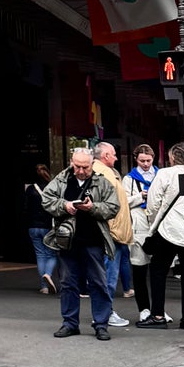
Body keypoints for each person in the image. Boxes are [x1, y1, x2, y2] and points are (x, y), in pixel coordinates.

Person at [40, 146, 119, 339]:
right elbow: (46, 200)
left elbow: (113, 207)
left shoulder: (102, 182)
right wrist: (64, 206)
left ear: (92, 164)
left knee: (99, 283)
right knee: (68, 284)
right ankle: (70, 323)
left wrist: (93, 208)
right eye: (77, 166)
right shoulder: (61, 180)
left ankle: (101, 324)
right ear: (71, 163)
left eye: (85, 167)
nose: (81, 171)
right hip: (68, 242)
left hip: (93, 240)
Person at [137, 143, 184, 328]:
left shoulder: (165, 174)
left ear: (173, 158)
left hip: (169, 231)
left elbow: (153, 203)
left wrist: (154, 223)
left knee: (158, 270)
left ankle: (157, 316)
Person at [91, 142, 132, 326]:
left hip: (114, 233)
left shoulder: (107, 173)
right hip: (112, 234)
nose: (116, 158)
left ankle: (104, 312)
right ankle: (104, 313)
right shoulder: (104, 174)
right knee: (108, 277)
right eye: (114, 154)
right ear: (106, 155)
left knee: (107, 276)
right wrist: (113, 229)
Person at [25, 163, 58, 294]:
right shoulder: (52, 189)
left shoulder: (30, 189)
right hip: (48, 226)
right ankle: (48, 274)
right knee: (51, 254)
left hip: (33, 226)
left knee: (40, 254)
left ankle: (43, 286)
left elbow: (25, 208)